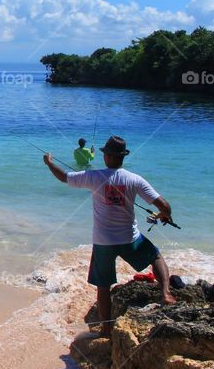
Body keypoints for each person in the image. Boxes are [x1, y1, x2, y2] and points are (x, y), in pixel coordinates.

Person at [43, 135, 176, 337]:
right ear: (122, 157)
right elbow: (164, 205)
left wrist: (49, 163)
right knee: (155, 256)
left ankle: (106, 329)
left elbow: (64, 177)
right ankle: (165, 293)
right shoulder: (134, 179)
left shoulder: (94, 177)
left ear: (107, 157)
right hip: (130, 238)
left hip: (103, 241)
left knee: (103, 287)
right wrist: (165, 215)